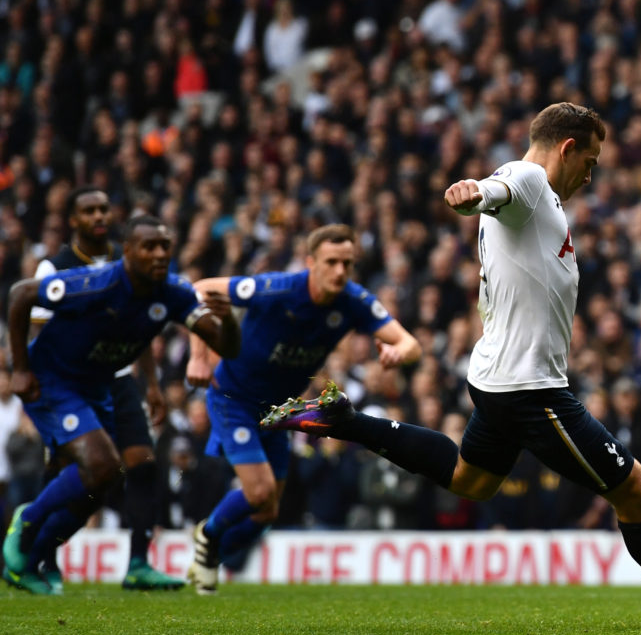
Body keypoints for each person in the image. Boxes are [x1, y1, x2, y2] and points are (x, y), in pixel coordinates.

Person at [261, 102, 641, 627]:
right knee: (636, 489)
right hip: (529, 389)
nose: (591, 175)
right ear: (567, 148)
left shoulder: (539, 201)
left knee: (470, 480)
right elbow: (498, 188)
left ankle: (346, 421)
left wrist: (483, 195)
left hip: (497, 377)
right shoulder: (530, 180)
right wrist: (472, 193)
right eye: (590, 162)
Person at [2, 215, 240, 594]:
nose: (159, 254)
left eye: (165, 246)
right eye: (149, 247)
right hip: (52, 381)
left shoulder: (172, 293)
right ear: (127, 251)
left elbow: (225, 345)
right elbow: (21, 294)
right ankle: (27, 521)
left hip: (99, 385)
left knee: (104, 480)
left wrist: (227, 321)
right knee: (101, 464)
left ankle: (35, 556)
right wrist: (19, 369)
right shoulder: (95, 283)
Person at [183, 223, 421, 594]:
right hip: (234, 399)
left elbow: (411, 344)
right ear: (311, 262)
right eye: (331, 262)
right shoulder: (276, 288)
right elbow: (200, 289)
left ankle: (210, 548)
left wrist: (397, 352)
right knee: (258, 492)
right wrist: (199, 356)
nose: (340, 271)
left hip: (279, 411)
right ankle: (208, 535)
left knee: (267, 512)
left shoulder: (353, 302)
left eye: (347, 263)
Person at [28, 186, 184, 592]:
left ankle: (139, 563)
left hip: (119, 378)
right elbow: (41, 332)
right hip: (72, 382)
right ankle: (40, 555)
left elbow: (142, 325)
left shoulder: (128, 260)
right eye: (89, 210)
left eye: (103, 208)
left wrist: (152, 384)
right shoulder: (54, 267)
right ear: (73, 220)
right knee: (72, 472)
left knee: (143, 465)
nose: (99, 216)